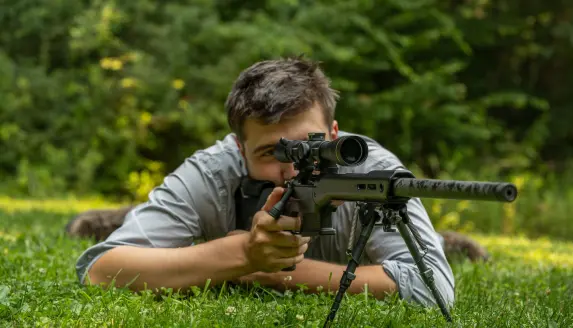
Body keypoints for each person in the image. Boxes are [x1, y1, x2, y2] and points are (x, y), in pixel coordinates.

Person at [70, 57, 488, 309]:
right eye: (273, 153)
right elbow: (100, 269)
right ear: (239, 148)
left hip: (355, 236)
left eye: (312, 147)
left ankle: (442, 237)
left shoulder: (372, 170)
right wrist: (244, 253)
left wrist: (283, 275)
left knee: (422, 241)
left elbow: (434, 288)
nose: (294, 170)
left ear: (336, 135)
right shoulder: (213, 170)